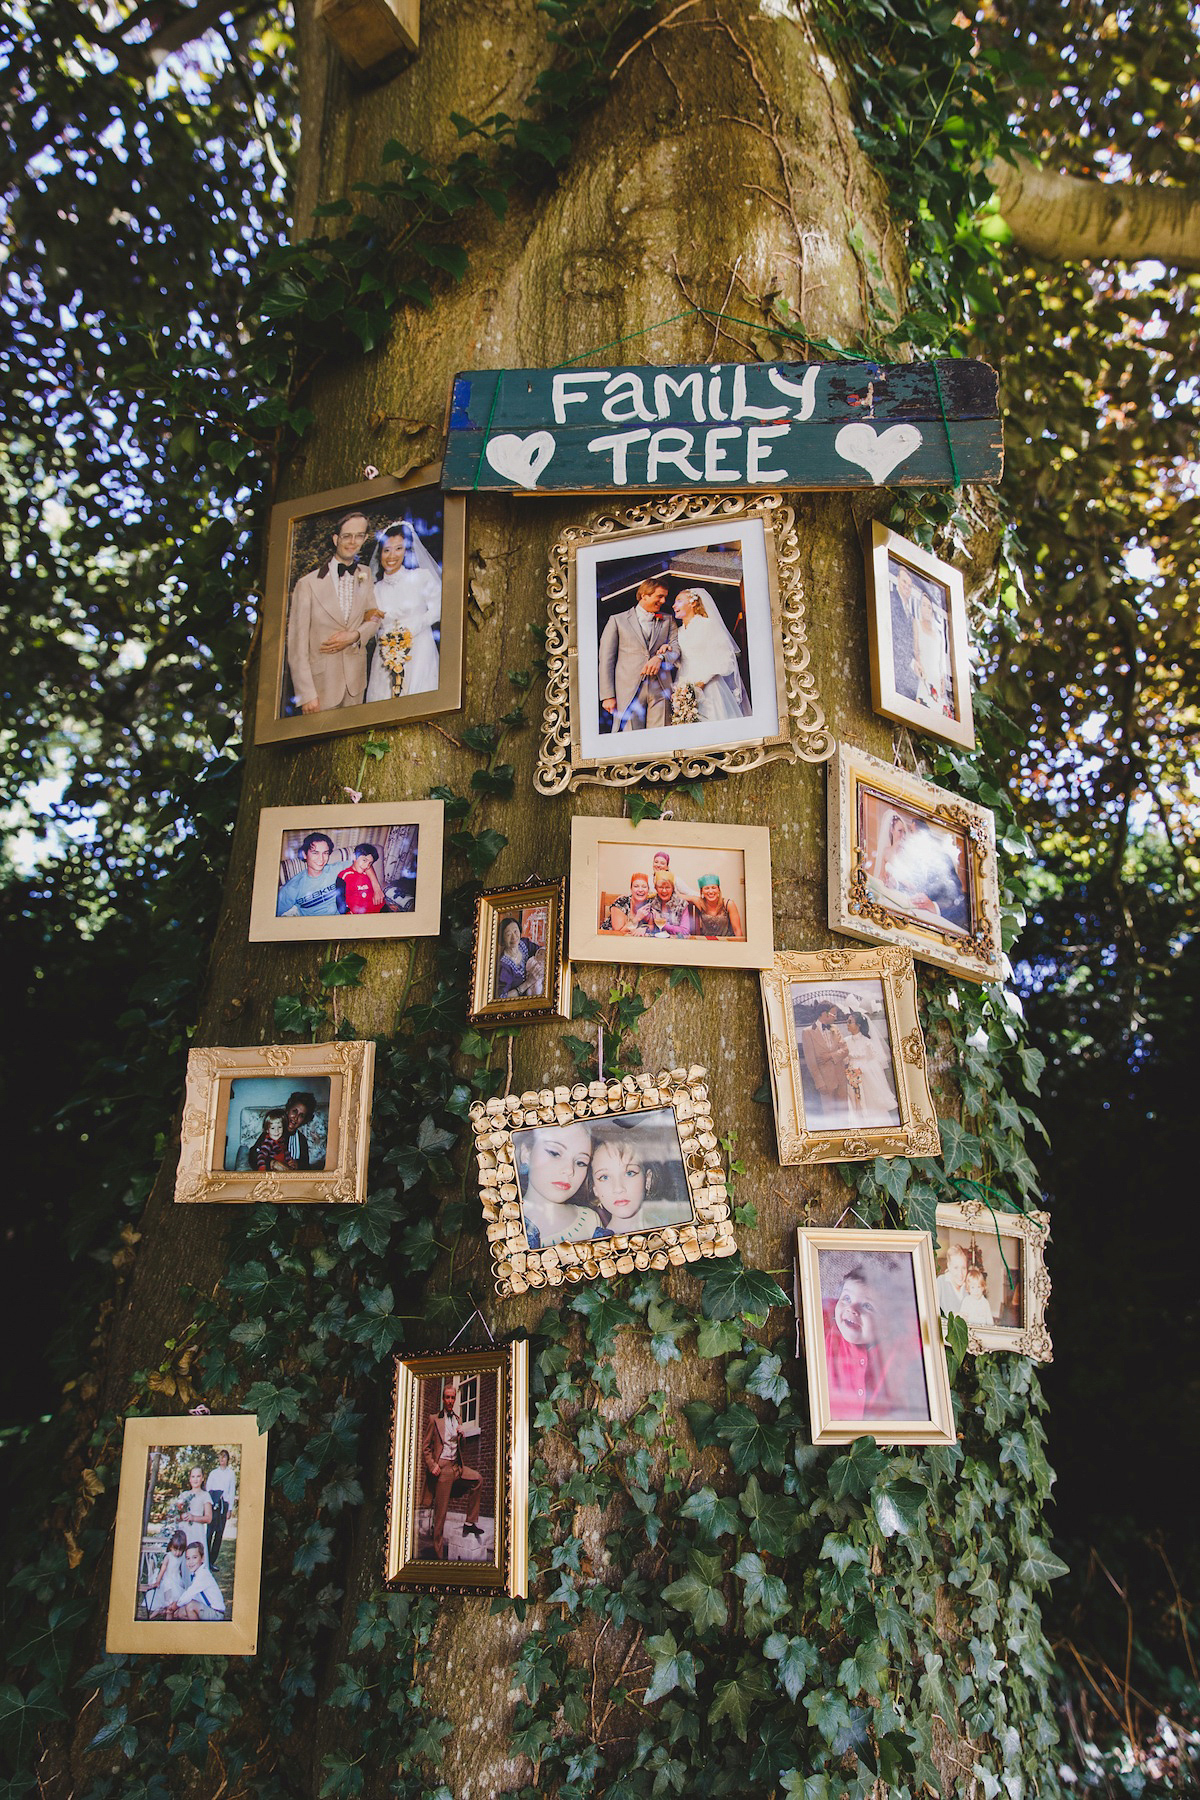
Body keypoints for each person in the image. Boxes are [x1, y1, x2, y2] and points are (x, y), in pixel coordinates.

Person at [285, 511, 380, 714]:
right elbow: (296, 646)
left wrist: (355, 635)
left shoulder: (365, 574)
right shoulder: (307, 584)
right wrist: (306, 694)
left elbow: (374, 616)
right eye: (347, 536)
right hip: (320, 688)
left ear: (364, 539)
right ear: (336, 538)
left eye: (359, 535)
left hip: (356, 684)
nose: (352, 542)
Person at [822, 1262, 928, 1421]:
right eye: (847, 1297)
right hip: (830, 1431)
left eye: (867, 1306)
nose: (852, 1308)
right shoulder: (827, 1327)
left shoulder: (900, 1345)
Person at [364, 519, 442, 702]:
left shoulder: (421, 577)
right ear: (380, 554)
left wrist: (414, 626)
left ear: (406, 551)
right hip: (385, 656)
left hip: (420, 648)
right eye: (387, 550)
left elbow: (438, 608)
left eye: (398, 548)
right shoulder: (374, 590)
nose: (392, 556)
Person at [597, 578, 679, 731]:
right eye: (660, 596)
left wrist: (660, 657)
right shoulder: (617, 620)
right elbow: (606, 659)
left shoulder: (668, 620)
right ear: (644, 595)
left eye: (665, 597)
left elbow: (676, 648)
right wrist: (607, 695)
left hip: (660, 687)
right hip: (628, 690)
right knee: (632, 737)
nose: (663, 601)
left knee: (661, 736)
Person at [515, 1122, 604, 1249]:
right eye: (555, 1153)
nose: (569, 1170)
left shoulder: (591, 1221)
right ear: (526, 1154)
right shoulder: (506, 1223)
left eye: (580, 1162)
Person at [421, 1381, 484, 1560]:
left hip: (457, 1467)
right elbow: (425, 1447)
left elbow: (461, 1447)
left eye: (452, 1398)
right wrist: (432, 1465)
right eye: (447, 1397)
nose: (450, 1400)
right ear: (443, 1399)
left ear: (455, 1399)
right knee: (440, 1515)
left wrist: (462, 1435)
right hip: (443, 1469)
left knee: (477, 1479)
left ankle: (470, 1522)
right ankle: (438, 1554)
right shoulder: (435, 1419)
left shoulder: (458, 1419)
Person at [671, 587, 751, 721]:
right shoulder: (678, 632)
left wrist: (702, 683)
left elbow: (725, 658)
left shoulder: (707, 625)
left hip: (709, 687)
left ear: (693, 603)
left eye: (679, 601)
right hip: (683, 687)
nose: (674, 605)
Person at [842, 1011, 900, 1127]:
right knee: (853, 1103)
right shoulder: (846, 1041)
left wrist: (861, 1069)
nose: (847, 1024)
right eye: (847, 1021)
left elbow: (875, 1062)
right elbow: (844, 1058)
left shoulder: (867, 1042)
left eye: (850, 1022)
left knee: (869, 1104)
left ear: (858, 1025)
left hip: (865, 1078)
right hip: (850, 1078)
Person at [799, 1004, 850, 1122]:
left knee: (844, 1116)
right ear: (823, 1014)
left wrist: (830, 1056)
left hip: (841, 1079)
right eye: (834, 1014)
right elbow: (810, 1061)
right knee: (830, 1117)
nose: (836, 1018)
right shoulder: (807, 1032)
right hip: (825, 1082)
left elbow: (845, 1050)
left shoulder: (835, 1029)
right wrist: (819, 1083)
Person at [276, 832, 346, 918]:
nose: (321, 859)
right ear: (304, 855)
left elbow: (363, 862)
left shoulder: (336, 869)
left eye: (325, 853)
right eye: (315, 853)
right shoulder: (292, 887)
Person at [911, 585, 953, 716]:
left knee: (937, 709)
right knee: (922, 704)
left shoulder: (939, 634)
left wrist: (941, 679)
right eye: (924, 605)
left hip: (936, 674)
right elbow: (916, 649)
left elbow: (941, 660)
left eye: (929, 607)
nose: (927, 609)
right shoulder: (916, 623)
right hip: (923, 672)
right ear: (920, 607)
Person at [161, 1543, 226, 1621]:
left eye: (194, 1557)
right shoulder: (196, 1572)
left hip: (216, 1613)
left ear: (202, 1558)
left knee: (190, 1606)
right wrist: (176, 1607)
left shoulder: (203, 1575)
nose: (191, 1562)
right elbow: (192, 1596)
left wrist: (175, 1605)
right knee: (179, 1613)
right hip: (206, 1608)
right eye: (188, 1558)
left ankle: (196, 1630)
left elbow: (189, 1594)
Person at [173, 1466, 213, 1569]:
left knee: (194, 1556)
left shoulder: (205, 1495)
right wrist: (181, 1516)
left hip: (196, 1531)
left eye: (198, 1476)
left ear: (203, 1478)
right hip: (184, 1531)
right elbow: (175, 1515)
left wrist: (193, 1517)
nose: (195, 1479)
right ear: (190, 1479)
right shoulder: (184, 1495)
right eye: (193, 1476)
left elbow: (208, 1518)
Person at [495, 917, 545, 998]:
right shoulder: (503, 967)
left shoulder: (524, 944)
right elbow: (502, 997)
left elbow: (543, 951)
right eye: (508, 934)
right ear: (502, 939)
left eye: (515, 931)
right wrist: (528, 982)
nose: (514, 937)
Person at [143, 1529, 189, 1616]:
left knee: (175, 1601)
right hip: (168, 1581)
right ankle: (166, 1617)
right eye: (175, 1550)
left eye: (180, 1550)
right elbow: (163, 1570)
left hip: (176, 1580)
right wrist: (158, 1581)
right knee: (169, 1601)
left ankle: (164, 1613)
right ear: (171, 1547)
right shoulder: (168, 1556)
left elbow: (179, 1569)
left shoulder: (181, 1557)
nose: (177, 1553)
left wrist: (182, 1581)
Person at [206, 1450, 237, 1567]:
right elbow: (208, 1489)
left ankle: (212, 1562)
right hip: (214, 1506)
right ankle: (205, 1560)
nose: (222, 1459)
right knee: (209, 1534)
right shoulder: (213, 1473)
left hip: (224, 1506)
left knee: (219, 1535)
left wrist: (230, 1510)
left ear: (227, 1459)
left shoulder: (231, 1474)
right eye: (220, 1457)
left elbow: (232, 1492)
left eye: (224, 1457)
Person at [336, 843, 385, 914]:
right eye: (364, 860)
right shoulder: (344, 876)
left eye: (370, 863)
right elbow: (340, 902)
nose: (366, 866)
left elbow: (379, 900)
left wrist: (387, 908)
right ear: (354, 857)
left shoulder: (368, 874)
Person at [693, 873, 743, 939]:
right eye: (706, 888)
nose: (710, 891)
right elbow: (681, 896)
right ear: (701, 891)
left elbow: (737, 930)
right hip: (707, 943)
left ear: (719, 890)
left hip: (728, 942)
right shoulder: (700, 903)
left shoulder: (728, 904)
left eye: (714, 888)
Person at [643, 871, 693, 937]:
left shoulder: (681, 904)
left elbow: (685, 931)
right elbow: (646, 925)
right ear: (656, 888)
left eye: (667, 887)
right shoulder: (651, 903)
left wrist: (664, 924)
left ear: (673, 888)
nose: (664, 891)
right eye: (660, 887)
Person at [283, 1091, 322, 1170]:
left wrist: (298, 1165)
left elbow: (306, 1166)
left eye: (301, 1116)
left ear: (304, 1120)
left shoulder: (301, 1139)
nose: (296, 1118)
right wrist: (272, 1162)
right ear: (287, 1110)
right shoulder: (273, 1130)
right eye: (294, 1111)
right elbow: (254, 1155)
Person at [936, 1243, 969, 1316]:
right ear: (949, 1266)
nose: (960, 1274)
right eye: (956, 1268)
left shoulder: (969, 1285)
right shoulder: (940, 1282)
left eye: (963, 1268)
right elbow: (932, 1313)